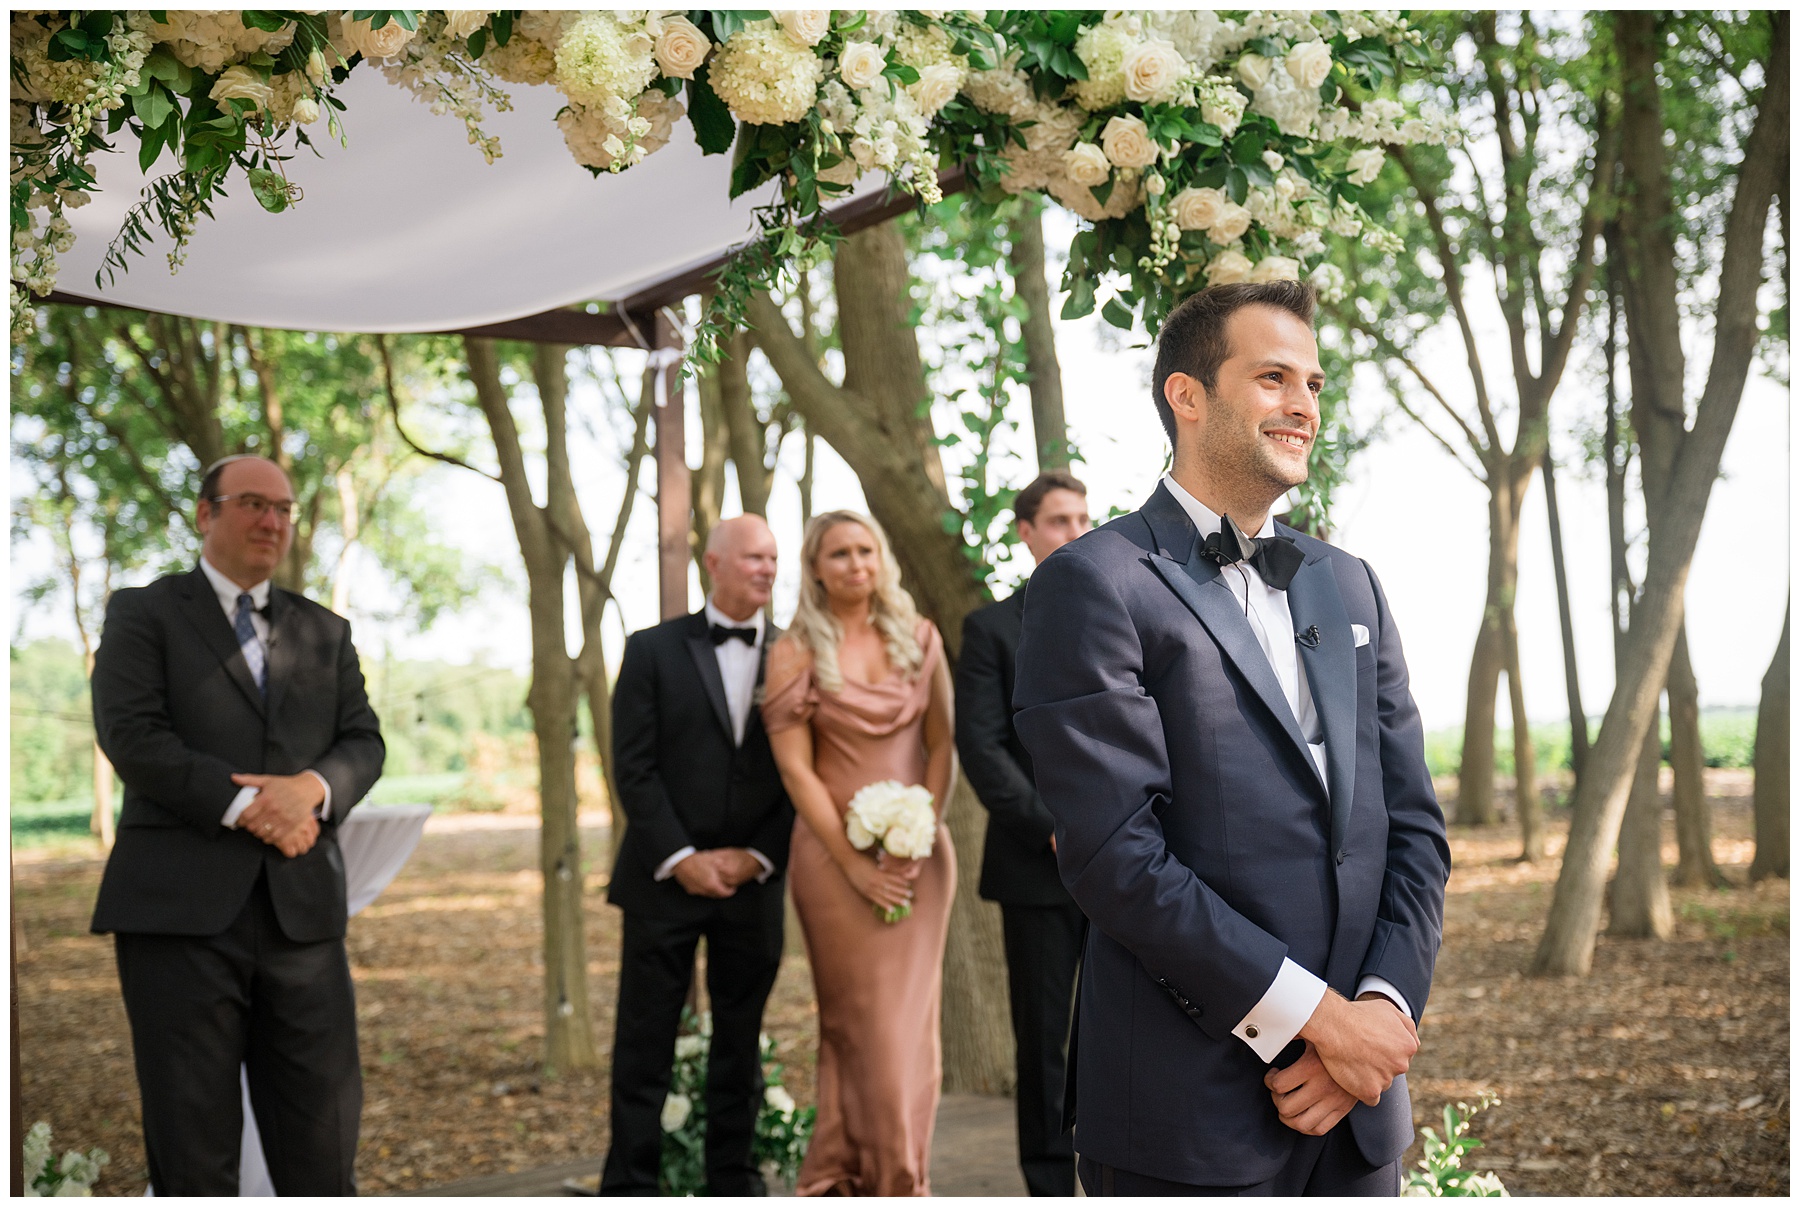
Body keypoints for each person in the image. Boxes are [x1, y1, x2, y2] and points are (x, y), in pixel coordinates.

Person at [1014, 281, 1451, 1195]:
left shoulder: (1353, 583)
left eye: (1316, 384)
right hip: (1188, 1114)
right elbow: (1117, 860)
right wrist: (1318, 1020)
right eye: (1274, 377)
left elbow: (1411, 830)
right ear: (1189, 396)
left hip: (1358, 1114)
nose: (1304, 405)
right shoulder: (1095, 583)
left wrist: (1375, 1011)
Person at [89, 454, 385, 1196]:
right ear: (204, 513)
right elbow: (132, 734)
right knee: (194, 1151)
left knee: (322, 1146)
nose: (271, 521)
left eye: (283, 508)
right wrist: (256, 806)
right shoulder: (142, 613)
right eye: (253, 502)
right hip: (179, 920)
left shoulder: (327, 631)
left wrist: (312, 789)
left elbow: (364, 742)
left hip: (304, 919)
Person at [761, 510, 957, 1196]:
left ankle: (877, 1177)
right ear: (816, 567)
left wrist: (920, 830)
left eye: (865, 550)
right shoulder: (793, 650)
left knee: (908, 1029)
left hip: (920, 860)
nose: (855, 564)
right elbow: (797, 770)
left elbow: (940, 744)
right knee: (857, 1026)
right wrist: (854, 864)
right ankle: (871, 1179)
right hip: (832, 864)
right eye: (839, 554)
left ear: (883, 557)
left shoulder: (920, 638)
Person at [602, 515, 795, 1196]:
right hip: (663, 881)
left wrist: (758, 855)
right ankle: (630, 1185)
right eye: (752, 557)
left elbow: (804, 773)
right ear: (713, 562)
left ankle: (731, 1182)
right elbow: (633, 767)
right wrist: (682, 855)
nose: (767, 568)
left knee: (739, 1047)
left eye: (773, 558)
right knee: (643, 1046)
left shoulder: (794, 653)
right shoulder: (651, 649)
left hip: (754, 882)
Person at [954, 471, 1092, 1197]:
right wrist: (1052, 828)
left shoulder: (1122, 613)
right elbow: (981, 747)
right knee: (1043, 1042)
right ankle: (1047, 1186)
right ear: (1026, 533)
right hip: (1036, 868)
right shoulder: (990, 629)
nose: (1075, 531)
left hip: (1127, 865)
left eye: (1082, 518)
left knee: (1117, 1032)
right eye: (1059, 520)